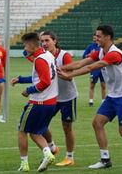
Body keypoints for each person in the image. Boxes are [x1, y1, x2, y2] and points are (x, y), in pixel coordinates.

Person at [58, 25, 122, 169]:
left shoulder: (115, 54)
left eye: (98, 36)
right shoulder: (100, 51)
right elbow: (81, 63)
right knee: (97, 123)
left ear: (108, 37)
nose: (95, 38)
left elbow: (91, 67)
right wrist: (60, 67)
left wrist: (69, 75)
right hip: (112, 96)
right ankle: (105, 159)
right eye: (95, 35)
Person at [10, 32, 57, 172]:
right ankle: (48, 152)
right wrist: (20, 79)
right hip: (50, 103)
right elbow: (39, 77)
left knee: (22, 130)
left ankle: (24, 164)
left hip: (38, 103)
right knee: (36, 132)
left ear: (31, 44)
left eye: (25, 44)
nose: (24, 47)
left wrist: (28, 90)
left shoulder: (40, 59)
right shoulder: (48, 56)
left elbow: (45, 82)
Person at [40, 31, 78, 166]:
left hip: (67, 97)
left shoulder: (64, 56)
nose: (44, 44)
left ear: (55, 41)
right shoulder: (43, 56)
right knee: (41, 125)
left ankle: (69, 157)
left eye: (47, 40)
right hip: (51, 97)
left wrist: (53, 71)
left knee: (67, 128)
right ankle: (52, 147)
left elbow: (70, 76)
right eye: (42, 41)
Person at [83, 34, 106, 107]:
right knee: (92, 85)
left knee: (103, 85)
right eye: (94, 38)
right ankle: (91, 101)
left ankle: (103, 101)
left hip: (102, 68)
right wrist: (89, 55)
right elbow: (84, 56)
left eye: (96, 37)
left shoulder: (103, 47)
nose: (95, 39)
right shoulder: (90, 47)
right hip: (94, 69)